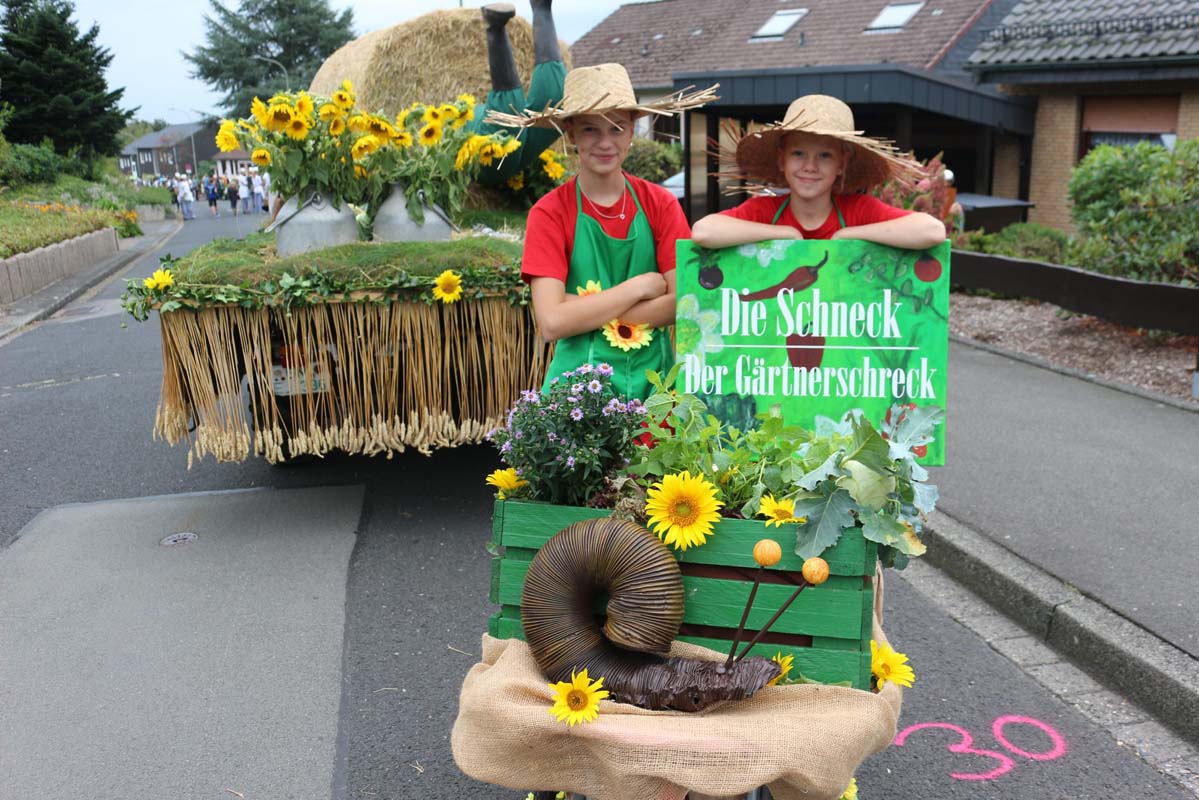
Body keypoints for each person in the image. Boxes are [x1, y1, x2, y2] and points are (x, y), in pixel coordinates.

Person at [489, 63, 715, 400]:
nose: (605, 142)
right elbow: (551, 323)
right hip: (577, 396)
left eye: (617, 128)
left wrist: (579, 310)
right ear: (571, 133)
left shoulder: (660, 204)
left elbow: (684, 302)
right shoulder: (550, 213)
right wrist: (638, 287)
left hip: (655, 389)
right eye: (591, 130)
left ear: (631, 132)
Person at [691, 94, 946, 249]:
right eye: (798, 154)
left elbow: (931, 231)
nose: (809, 166)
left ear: (842, 163)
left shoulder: (859, 210)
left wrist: (847, 235)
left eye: (825, 155)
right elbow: (704, 231)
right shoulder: (764, 211)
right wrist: (785, 234)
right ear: (782, 160)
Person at [466, 1, 565, 186]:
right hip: (474, 135)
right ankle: (495, 28)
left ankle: (539, 9)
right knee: (505, 126)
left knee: (556, 106)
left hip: (501, 140)